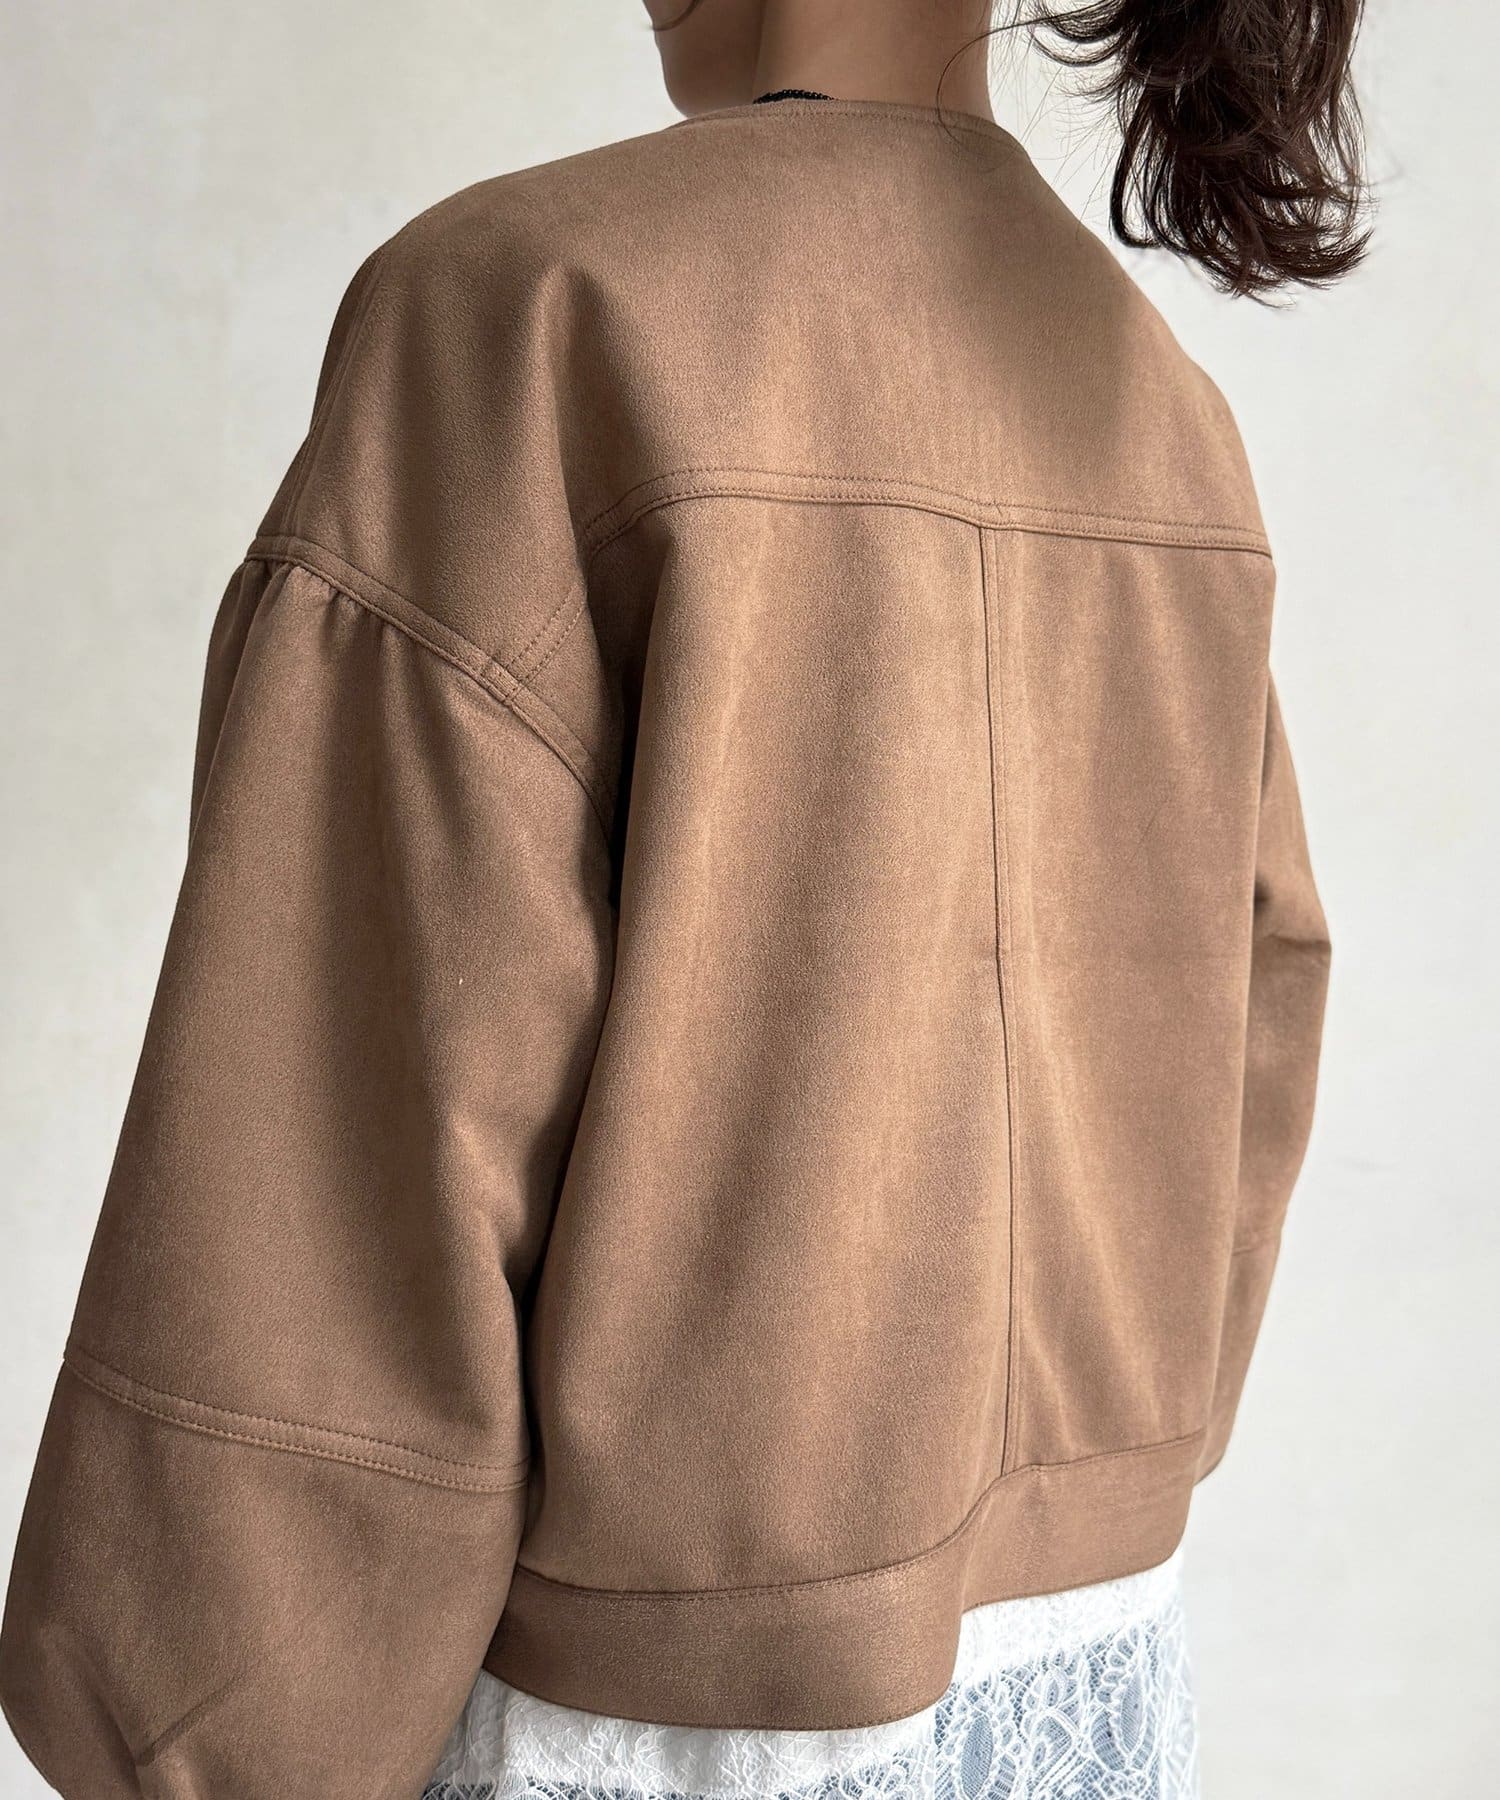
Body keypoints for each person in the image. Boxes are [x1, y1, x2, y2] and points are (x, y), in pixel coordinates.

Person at [0, 1, 1359, 1796]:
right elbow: (1256, 1018)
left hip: (658, 1733)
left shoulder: (531, 311)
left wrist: (195, 1716)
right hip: (1088, 1698)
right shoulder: (1166, 416)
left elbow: (345, 1147)